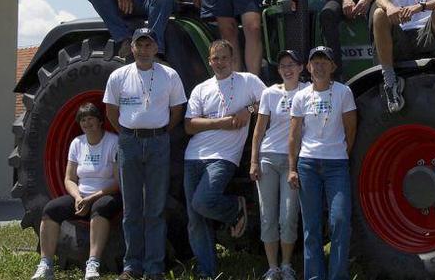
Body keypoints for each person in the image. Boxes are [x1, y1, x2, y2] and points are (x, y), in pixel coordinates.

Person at [103, 27, 186, 280]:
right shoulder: (119, 76)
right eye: (139, 44)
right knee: (132, 208)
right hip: (128, 142)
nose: (144, 49)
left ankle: (154, 267)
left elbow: (177, 110)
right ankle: (131, 266)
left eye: (148, 44)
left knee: (155, 208)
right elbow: (110, 111)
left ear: (156, 47)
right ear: (132, 48)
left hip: (159, 142)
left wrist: (158, 132)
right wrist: (130, 133)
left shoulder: (169, 75)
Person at [183, 39, 266, 279]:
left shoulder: (247, 81)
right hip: (193, 156)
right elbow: (189, 125)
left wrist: (247, 111)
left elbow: (270, 101)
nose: (219, 62)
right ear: (210, 62)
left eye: (224, 57)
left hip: (224, 157)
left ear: (232, 59)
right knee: (195, 218)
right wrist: (222, 123)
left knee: (203, 201)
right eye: (215, 58)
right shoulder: (201, 88)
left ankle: (235, 210)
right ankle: (206, 271)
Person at [288, 46, 357, 280]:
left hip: (336, 165)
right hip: (307, 165)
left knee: (339, 220)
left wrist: (340, 152)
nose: (319, 66)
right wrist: (292, 168)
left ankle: (338, 275)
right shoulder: (300, 96)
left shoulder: (343, 92)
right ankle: (315, 276)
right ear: (308, 67)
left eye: (323, 62)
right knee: (311, 226)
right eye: (315, 62)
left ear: (332, 67)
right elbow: (294, 135)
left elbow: (351, 128)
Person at [30, 103, 121, 280]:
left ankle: (93, 264)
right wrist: (78, 197)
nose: (87, 123)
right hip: (81, 196)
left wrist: (92, 198)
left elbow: (118, 182)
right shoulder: (77, 143)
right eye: (83, 120)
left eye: (91, 119)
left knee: (100, 208)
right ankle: (46, 265)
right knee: (51, 209)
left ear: (100, 121)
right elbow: (69, 179)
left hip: (106, 195)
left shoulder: (113, 142)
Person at [250, 50, 308, 280]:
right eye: (283, 65)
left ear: (301, 67)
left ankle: (286, 265)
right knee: (267, 215)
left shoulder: (307, 91)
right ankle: (272, 267)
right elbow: (259, 130)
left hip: (293, 161)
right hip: (268, 158)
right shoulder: (270, 93)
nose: (287, 69)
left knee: (288, 215)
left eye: (291, 64)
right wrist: (254, 161)